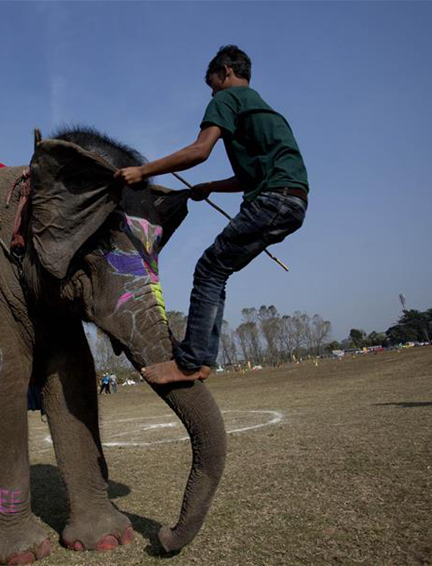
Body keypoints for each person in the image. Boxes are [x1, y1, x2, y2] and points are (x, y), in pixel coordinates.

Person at [114, 45, 309, 384]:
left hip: (271, 200)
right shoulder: (263, 108)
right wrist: (211, 187)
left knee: (207, 269)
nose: (212, 93)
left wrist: (142, 171)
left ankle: (189, 362)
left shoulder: (227, 99)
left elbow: (199, 150)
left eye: (213, 85)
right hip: (293, 202)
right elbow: (251, 177)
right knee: (217, 271)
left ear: (225, 71)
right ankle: (204, 361)